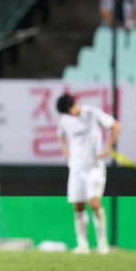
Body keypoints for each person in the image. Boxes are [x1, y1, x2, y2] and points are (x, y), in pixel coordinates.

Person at [56, 94, 121, 254]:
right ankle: (82, 244)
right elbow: (60, 135)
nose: (68, 114)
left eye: (68, 111)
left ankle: (102, 243)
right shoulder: (65, 119)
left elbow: (116, 126)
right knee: (78, 205)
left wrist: (107, 148)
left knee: (94, 203)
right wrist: (67, 155)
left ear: (74, 104)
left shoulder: (91, 113)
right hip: (76, 168)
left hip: (94, 167)